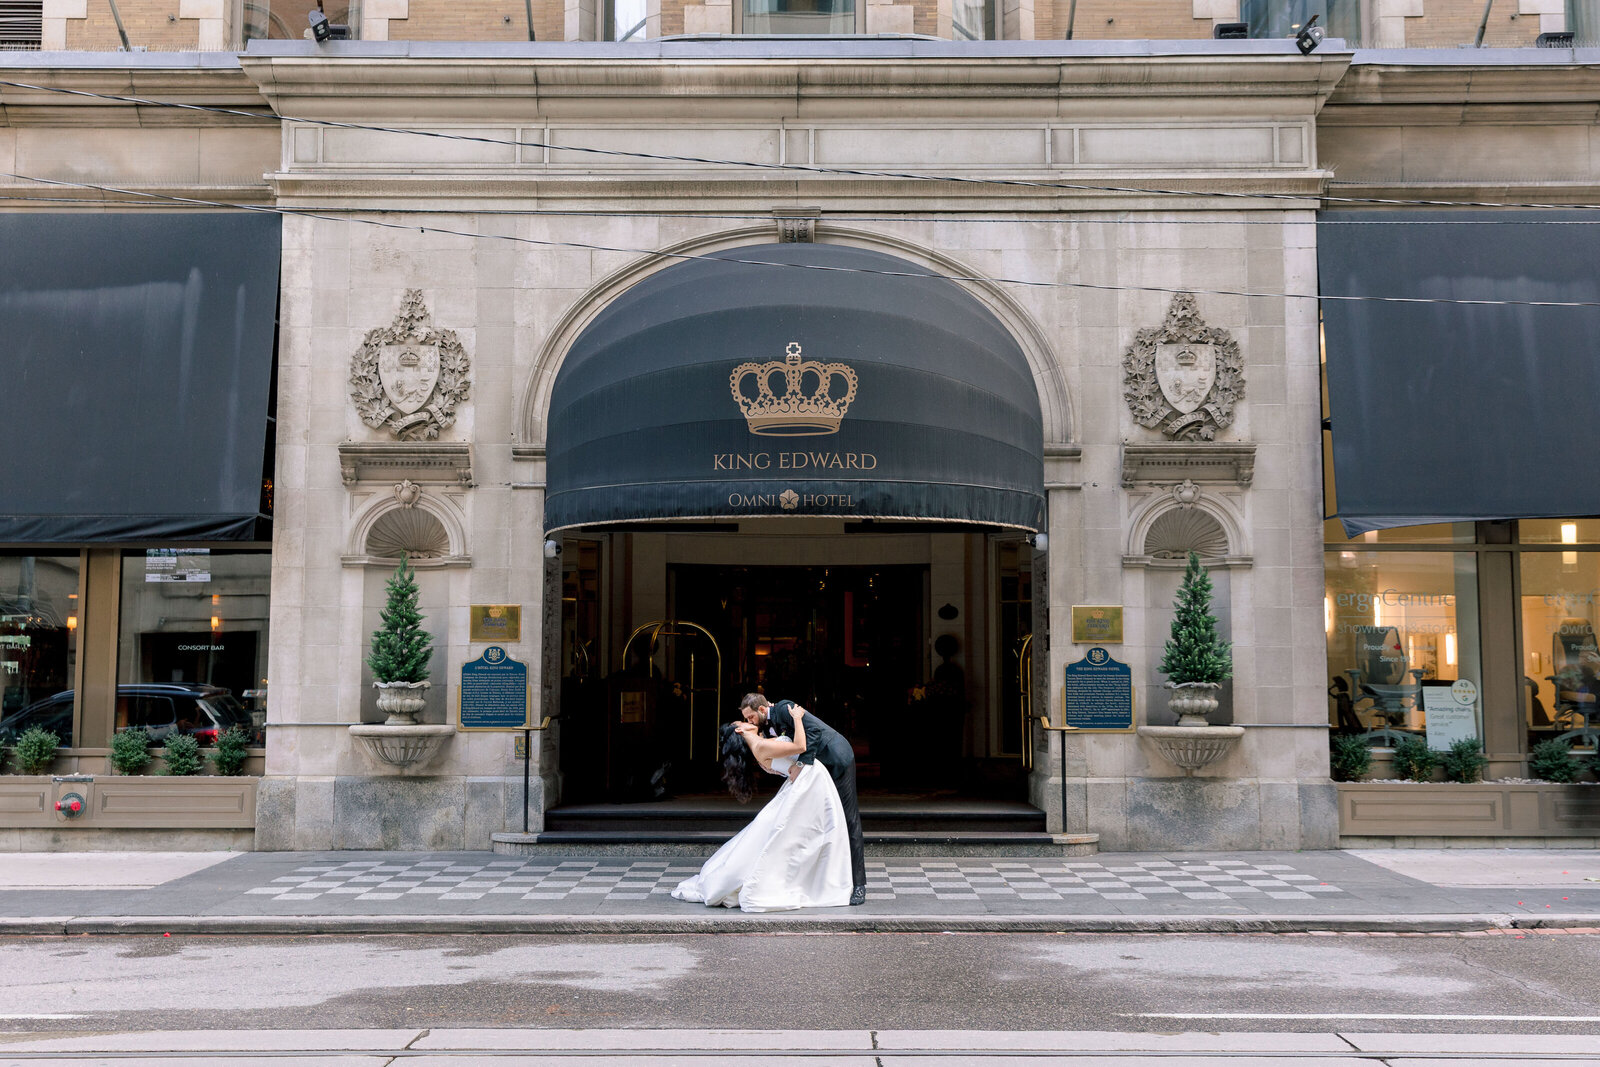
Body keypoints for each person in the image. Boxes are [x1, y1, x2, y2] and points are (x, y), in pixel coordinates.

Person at [671, 709, 853, 912]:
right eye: (742, 721)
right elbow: (801, 746)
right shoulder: (760, 746)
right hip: (809, 782)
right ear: (739, 730)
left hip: (810, 781)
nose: (747, 720)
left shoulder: (760, 742)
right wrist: (797, 719)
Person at [740, 693, 867, 905]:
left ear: (762, 710)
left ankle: (859, 885)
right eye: (746, 719)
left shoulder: (784, 708)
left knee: (849, 819)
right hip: (818, 769)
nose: (749, 722)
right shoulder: (769, 723)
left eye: (751, 717)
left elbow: (813, 731)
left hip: (836, 758)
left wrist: (800, 765)